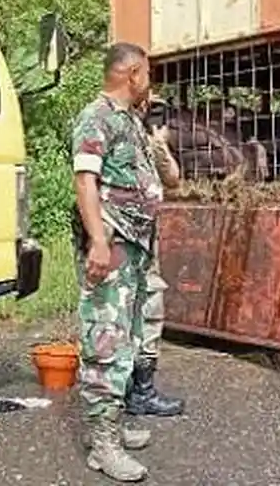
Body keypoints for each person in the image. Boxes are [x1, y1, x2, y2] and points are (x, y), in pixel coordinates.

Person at [71, 42, 182, 482]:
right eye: (147, 75)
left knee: (129, 337)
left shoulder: (129, 121)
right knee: (106, 340)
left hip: (135, 246)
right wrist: (98, 241)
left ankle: (113, 425)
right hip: (112, 245)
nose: (149, 84)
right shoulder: (96, 117)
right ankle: (103, 445)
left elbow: (160, 178)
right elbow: (85, 181)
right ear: (132, 74)